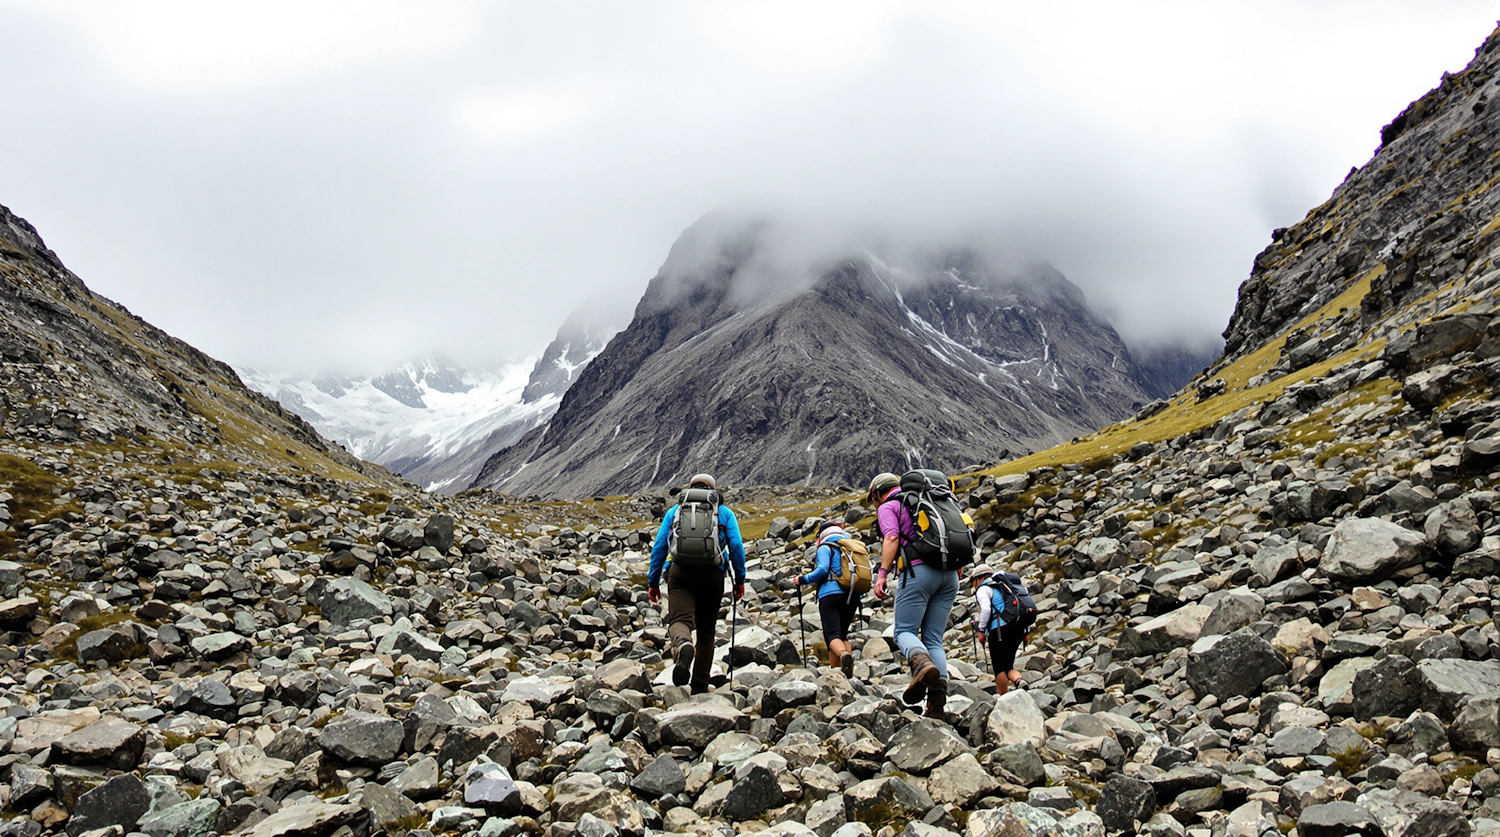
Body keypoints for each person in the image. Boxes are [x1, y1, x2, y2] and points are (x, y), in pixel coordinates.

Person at [869, 472, 959, 718]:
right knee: (933, 638)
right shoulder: (933, 501)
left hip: (919, 572)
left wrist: (883, 573)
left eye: (872, 498)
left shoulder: (890, 505)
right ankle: (936, 701)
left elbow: (891, 537)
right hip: (950, 575)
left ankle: (921, 665)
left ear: (877, 493)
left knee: (904, 632)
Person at [647, 473, 747, 693]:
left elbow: (659, 548)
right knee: (707, 632)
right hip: (712, 575)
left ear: (690, 488)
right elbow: (737, 546)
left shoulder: (675, 511)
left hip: (680, 572)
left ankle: (682, 645)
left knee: (679, 620)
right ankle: (700, 686)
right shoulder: (723, 512)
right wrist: (740, 580)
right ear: (713, 490)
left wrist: (652, 581)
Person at [795, 519, 861, 678]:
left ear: (822, 536)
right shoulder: (851, 546)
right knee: (842, 635)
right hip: (852, 595)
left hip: (830, 595)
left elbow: (823, 569)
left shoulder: (826, 547)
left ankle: (844, 656)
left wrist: (803, 579)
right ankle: (841, 674)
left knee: (832, 635)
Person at [970, 564, 1027, 695]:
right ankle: (1019, 681)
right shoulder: (1007, 587)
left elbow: (986, 610)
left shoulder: (983, 589)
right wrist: (1025, 632)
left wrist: (982, 631)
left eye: (973, 581)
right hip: (1018, 628)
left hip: (999, 630)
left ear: (979, 578)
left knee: (999, 667)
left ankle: (1003, 696)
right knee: (1008, 666)